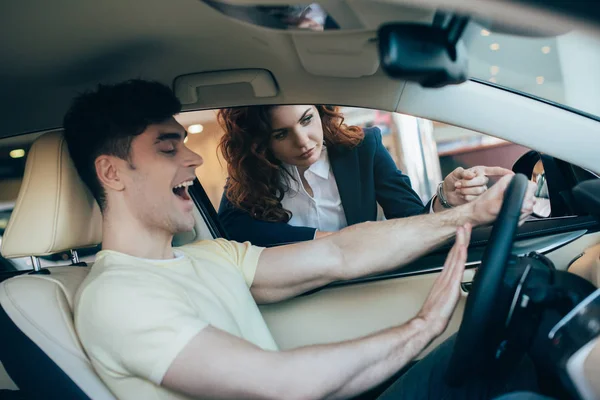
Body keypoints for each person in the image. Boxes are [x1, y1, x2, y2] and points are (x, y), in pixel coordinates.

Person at [66, 80, 538, 400]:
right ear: (111, 172)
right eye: (168, 148)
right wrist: (420, 327)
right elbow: (282, 383)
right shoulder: (116, 296)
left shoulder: (212, 256)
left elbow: (339, 252)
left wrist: (467, 214)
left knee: (525, 336)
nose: (193, 158)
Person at [217, 105, 514, 246]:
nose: (304, 141)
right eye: (281, 134)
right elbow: (233, 234)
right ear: (260, 143)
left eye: (307, 120)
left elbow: (411, 217)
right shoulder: (251, 172)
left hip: (362, 286)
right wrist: (333, 240)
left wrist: (445, 200)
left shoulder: (363, 148)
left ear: (320, 112)